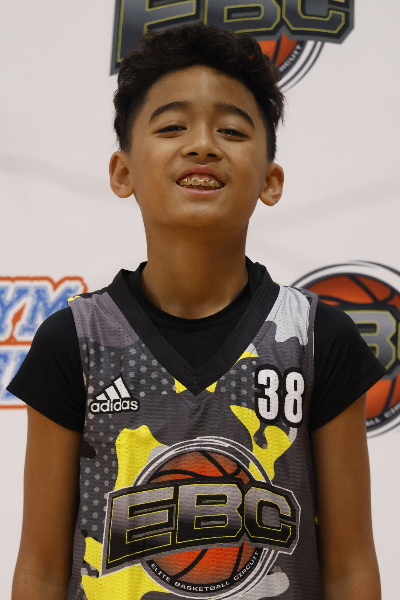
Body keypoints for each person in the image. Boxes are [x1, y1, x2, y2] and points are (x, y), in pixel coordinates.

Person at [10, 23, 384, 600]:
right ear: (123, 172)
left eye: (231, 130)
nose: (203, 145)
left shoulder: (317, 338)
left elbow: (350, 568)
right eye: (172, 127)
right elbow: (38, 568)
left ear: (271, 180)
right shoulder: (74, 342)